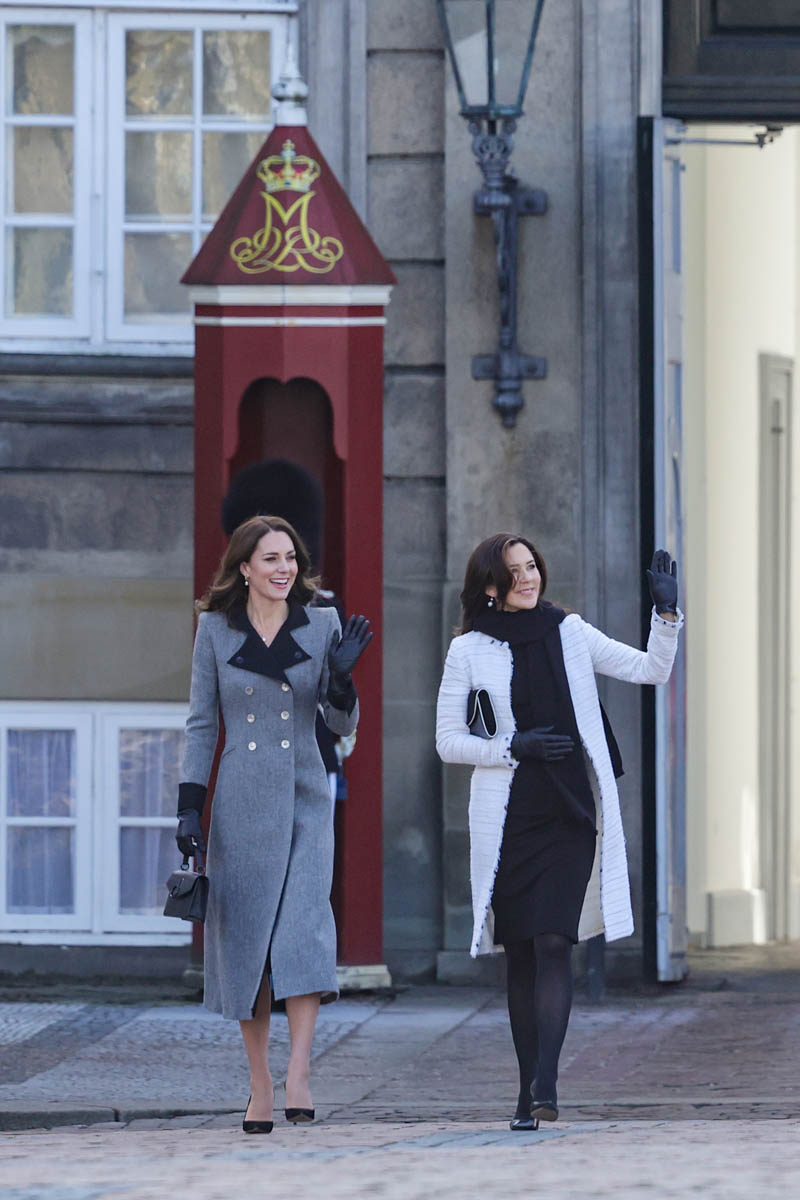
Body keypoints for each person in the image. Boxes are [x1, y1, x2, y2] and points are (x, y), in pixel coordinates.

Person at [435, 534, 682, 1130]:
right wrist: (511, 746)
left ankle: (546, 1080)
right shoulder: (467, 649)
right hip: (510, 819)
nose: (528, 579)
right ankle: (526, 1093)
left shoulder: (570, 631)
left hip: (571, 812)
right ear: (490, 586)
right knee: (521, 954)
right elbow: (447, 742)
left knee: (552, 942)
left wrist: (667, 613)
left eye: (532, 567)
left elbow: (649, 670)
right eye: (514, 572)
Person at [175, 514, 371, 1134]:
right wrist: (189, 806)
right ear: (244, 568)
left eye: (290, 558)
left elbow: (341, 727)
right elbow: (201, 723)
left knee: (303, 932)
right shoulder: (214, 630)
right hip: (240, 802)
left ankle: (300, 1074)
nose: (284, 568)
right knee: (248, 944)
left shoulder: (323, 624)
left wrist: (341, 680)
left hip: (307, 796)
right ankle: (260, 1083)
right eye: (271, 559)